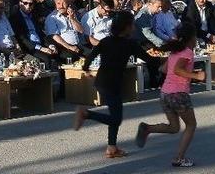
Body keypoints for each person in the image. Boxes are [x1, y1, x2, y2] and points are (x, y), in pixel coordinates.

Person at [74, 11, 156, 158]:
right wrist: (166, 58)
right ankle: (86, 114)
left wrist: (86, 68)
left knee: (115, 115)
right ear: (126, 27)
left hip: (103, 81)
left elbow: (91, 56)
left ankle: (112, 147)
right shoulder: (130, 44)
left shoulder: (106, 41)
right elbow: (148, 59)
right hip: (112, 83)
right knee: (116, 119)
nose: (133, 28)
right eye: (131, 25)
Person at [135, 24, 205, 168]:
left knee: (174, 128)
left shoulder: (175, 52)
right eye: (195, 37)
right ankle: (179, 158)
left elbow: (164, 69)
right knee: (191, 125)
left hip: (165, 94)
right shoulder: (187, 52)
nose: (196, 40)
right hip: (178, 94)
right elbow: (178, 70)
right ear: (191, 38)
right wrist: (196, 75)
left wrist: (182, 69)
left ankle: (147, 128)